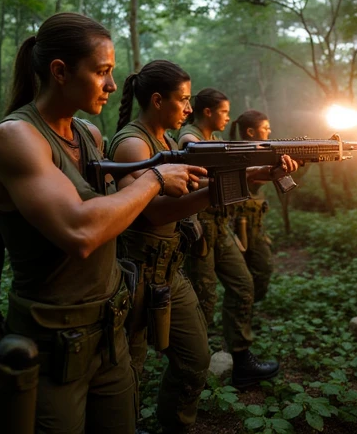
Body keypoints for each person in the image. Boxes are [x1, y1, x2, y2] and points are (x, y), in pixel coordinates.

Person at [0, 13, 206, 434]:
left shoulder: (90, 135)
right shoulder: (16, 137)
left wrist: (237, 180)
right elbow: (81, 232)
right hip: (53, 349)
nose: (110, 84)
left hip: (111, 334)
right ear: (60, 71)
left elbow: (141, 210)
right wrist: (158, 177)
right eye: (102, 72)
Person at [107, 60, 213, 434]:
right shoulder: (133, 144)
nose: (189, 109)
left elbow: (196, 185)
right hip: (134, 276)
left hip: (169, 271)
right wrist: (216, 192)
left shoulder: (168, 141)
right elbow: (152, 213)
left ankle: (175, 426)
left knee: (196, 359)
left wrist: (252, 173)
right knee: (129, 373)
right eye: (183, 100)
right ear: (156, 100)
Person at [178, 88, 299, 388]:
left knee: (244, 285)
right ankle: (192, 368)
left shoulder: (216, 141)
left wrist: (271, 171)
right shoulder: (189, 138)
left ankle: (241, 360)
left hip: (220, 225)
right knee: (204, 301)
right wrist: (254, 172)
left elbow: (242, 174)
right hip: (200, 228)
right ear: (207, 112)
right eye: (223, 111)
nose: (228, 117)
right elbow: (197, 179)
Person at [229, 109, 274, 302]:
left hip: (254, 223)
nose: (269, 131)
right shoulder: (243, 154)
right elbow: (256, 179)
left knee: (260, 269)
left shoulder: (258, 152)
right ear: (250, 132)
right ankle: (246, 307)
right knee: (252, 272)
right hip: (241, 224)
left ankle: (249, 307)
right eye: (265, 128)